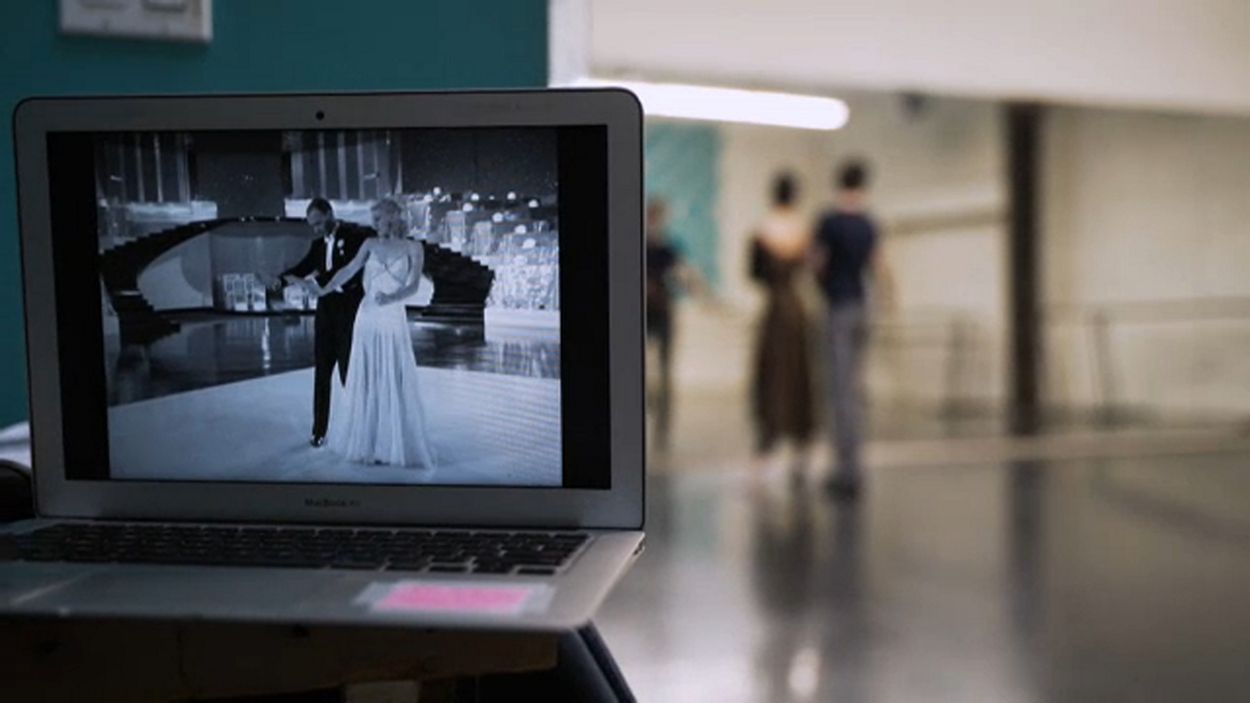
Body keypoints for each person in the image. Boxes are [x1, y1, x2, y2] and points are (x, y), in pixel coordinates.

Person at [312, 198, 437, 468]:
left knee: (392, 376)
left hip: (392, 317)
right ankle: (367, 440)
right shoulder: (369, 244)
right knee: (368, 377)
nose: (375, 224)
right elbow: (348, 270)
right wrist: (324, 289)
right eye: (374, 219)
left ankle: (390, 442)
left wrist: (392, 298)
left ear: (393, 217)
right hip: (367, 316)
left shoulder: (413, 248)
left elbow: (414, 286)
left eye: (379, 219)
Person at [811, 160, 888, 500]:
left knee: (840, 391)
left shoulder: (829, 222)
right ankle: (854, 464)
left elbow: (816, 263)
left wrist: (820, 285)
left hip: (838, 308)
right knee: (855, 389)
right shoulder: (869, 223)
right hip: (862, 307)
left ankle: (846, 469)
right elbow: (879, 267)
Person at [266, 198, 371, 447]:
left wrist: (314, 283)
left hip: (350, 312)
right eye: (312, 225)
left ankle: (360, 428)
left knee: (348, 372)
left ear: (330, 214)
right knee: (322, 373)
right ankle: (319, 430)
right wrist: (282, 280)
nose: (316, 229)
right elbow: (303, 266)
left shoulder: (354, 236)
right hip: (326, 314)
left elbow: (347, 270)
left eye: (319, 223)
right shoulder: (318, 244)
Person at [749, 173, 815, 482]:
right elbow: (813, 268)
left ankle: (768, 442)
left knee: (772, 378)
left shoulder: (764, 229)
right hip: (796, 311)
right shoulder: (803, 230)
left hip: (775, 311)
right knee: (798, 378)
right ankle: (800, 445)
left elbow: (753, 273)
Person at [644, 198, 705, 452]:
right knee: (645, 368)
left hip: (662, 311)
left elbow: (683, 276)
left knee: (665, 369)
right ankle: (650, 406)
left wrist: (694, 288)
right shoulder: (642, 247)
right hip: (645, 312)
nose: (656, 222)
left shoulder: (669, 247)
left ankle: (663, 427)